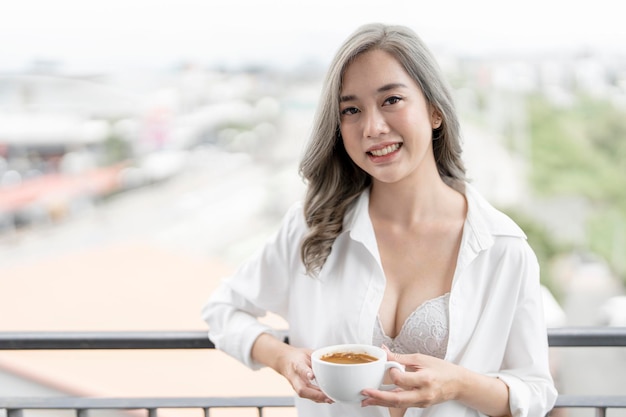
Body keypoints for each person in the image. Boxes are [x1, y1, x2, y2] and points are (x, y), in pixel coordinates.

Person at [202, 23, 557, 417]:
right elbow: (223, 311)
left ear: (435, 110)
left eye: (391, 100)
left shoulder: (503, 248)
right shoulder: (311, 227)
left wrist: (457, 383)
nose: (372, 127)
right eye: (351, 110)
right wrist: (282, 358)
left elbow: (535, 391)